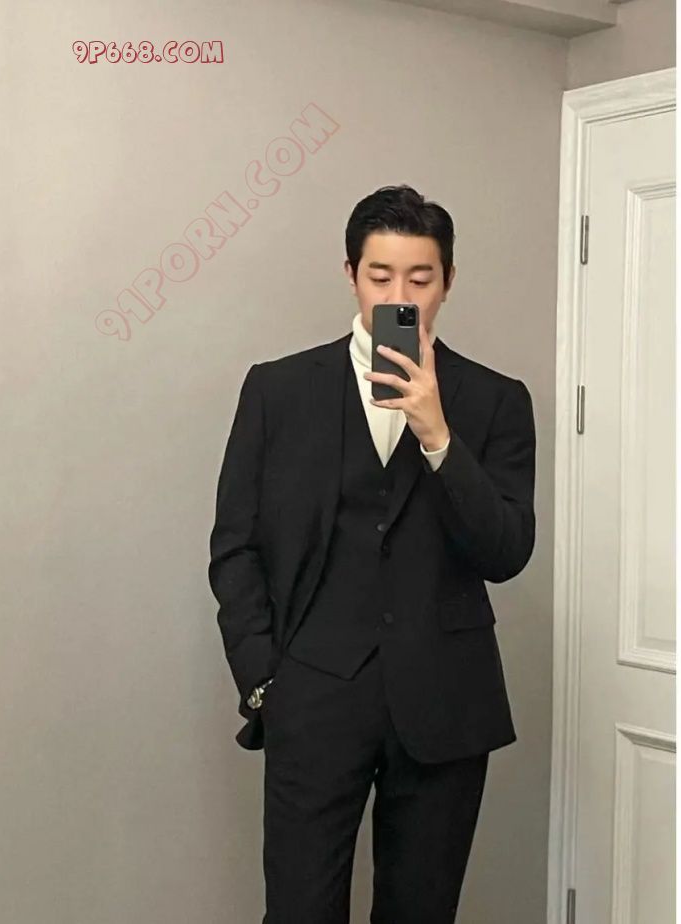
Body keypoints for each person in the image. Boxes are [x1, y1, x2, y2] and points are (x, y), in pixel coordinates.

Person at [207, 184, 536, 924]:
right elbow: (235, 546)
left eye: (420, 278)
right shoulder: (278, 391)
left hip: (445, 701)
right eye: (381, 276)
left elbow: (507, 551)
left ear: (448, 281)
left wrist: (439, 436)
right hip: (312, 697)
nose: (400, 296)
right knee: (299, 911)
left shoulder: (495, 400)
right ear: (351, 274)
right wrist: (264, 681)